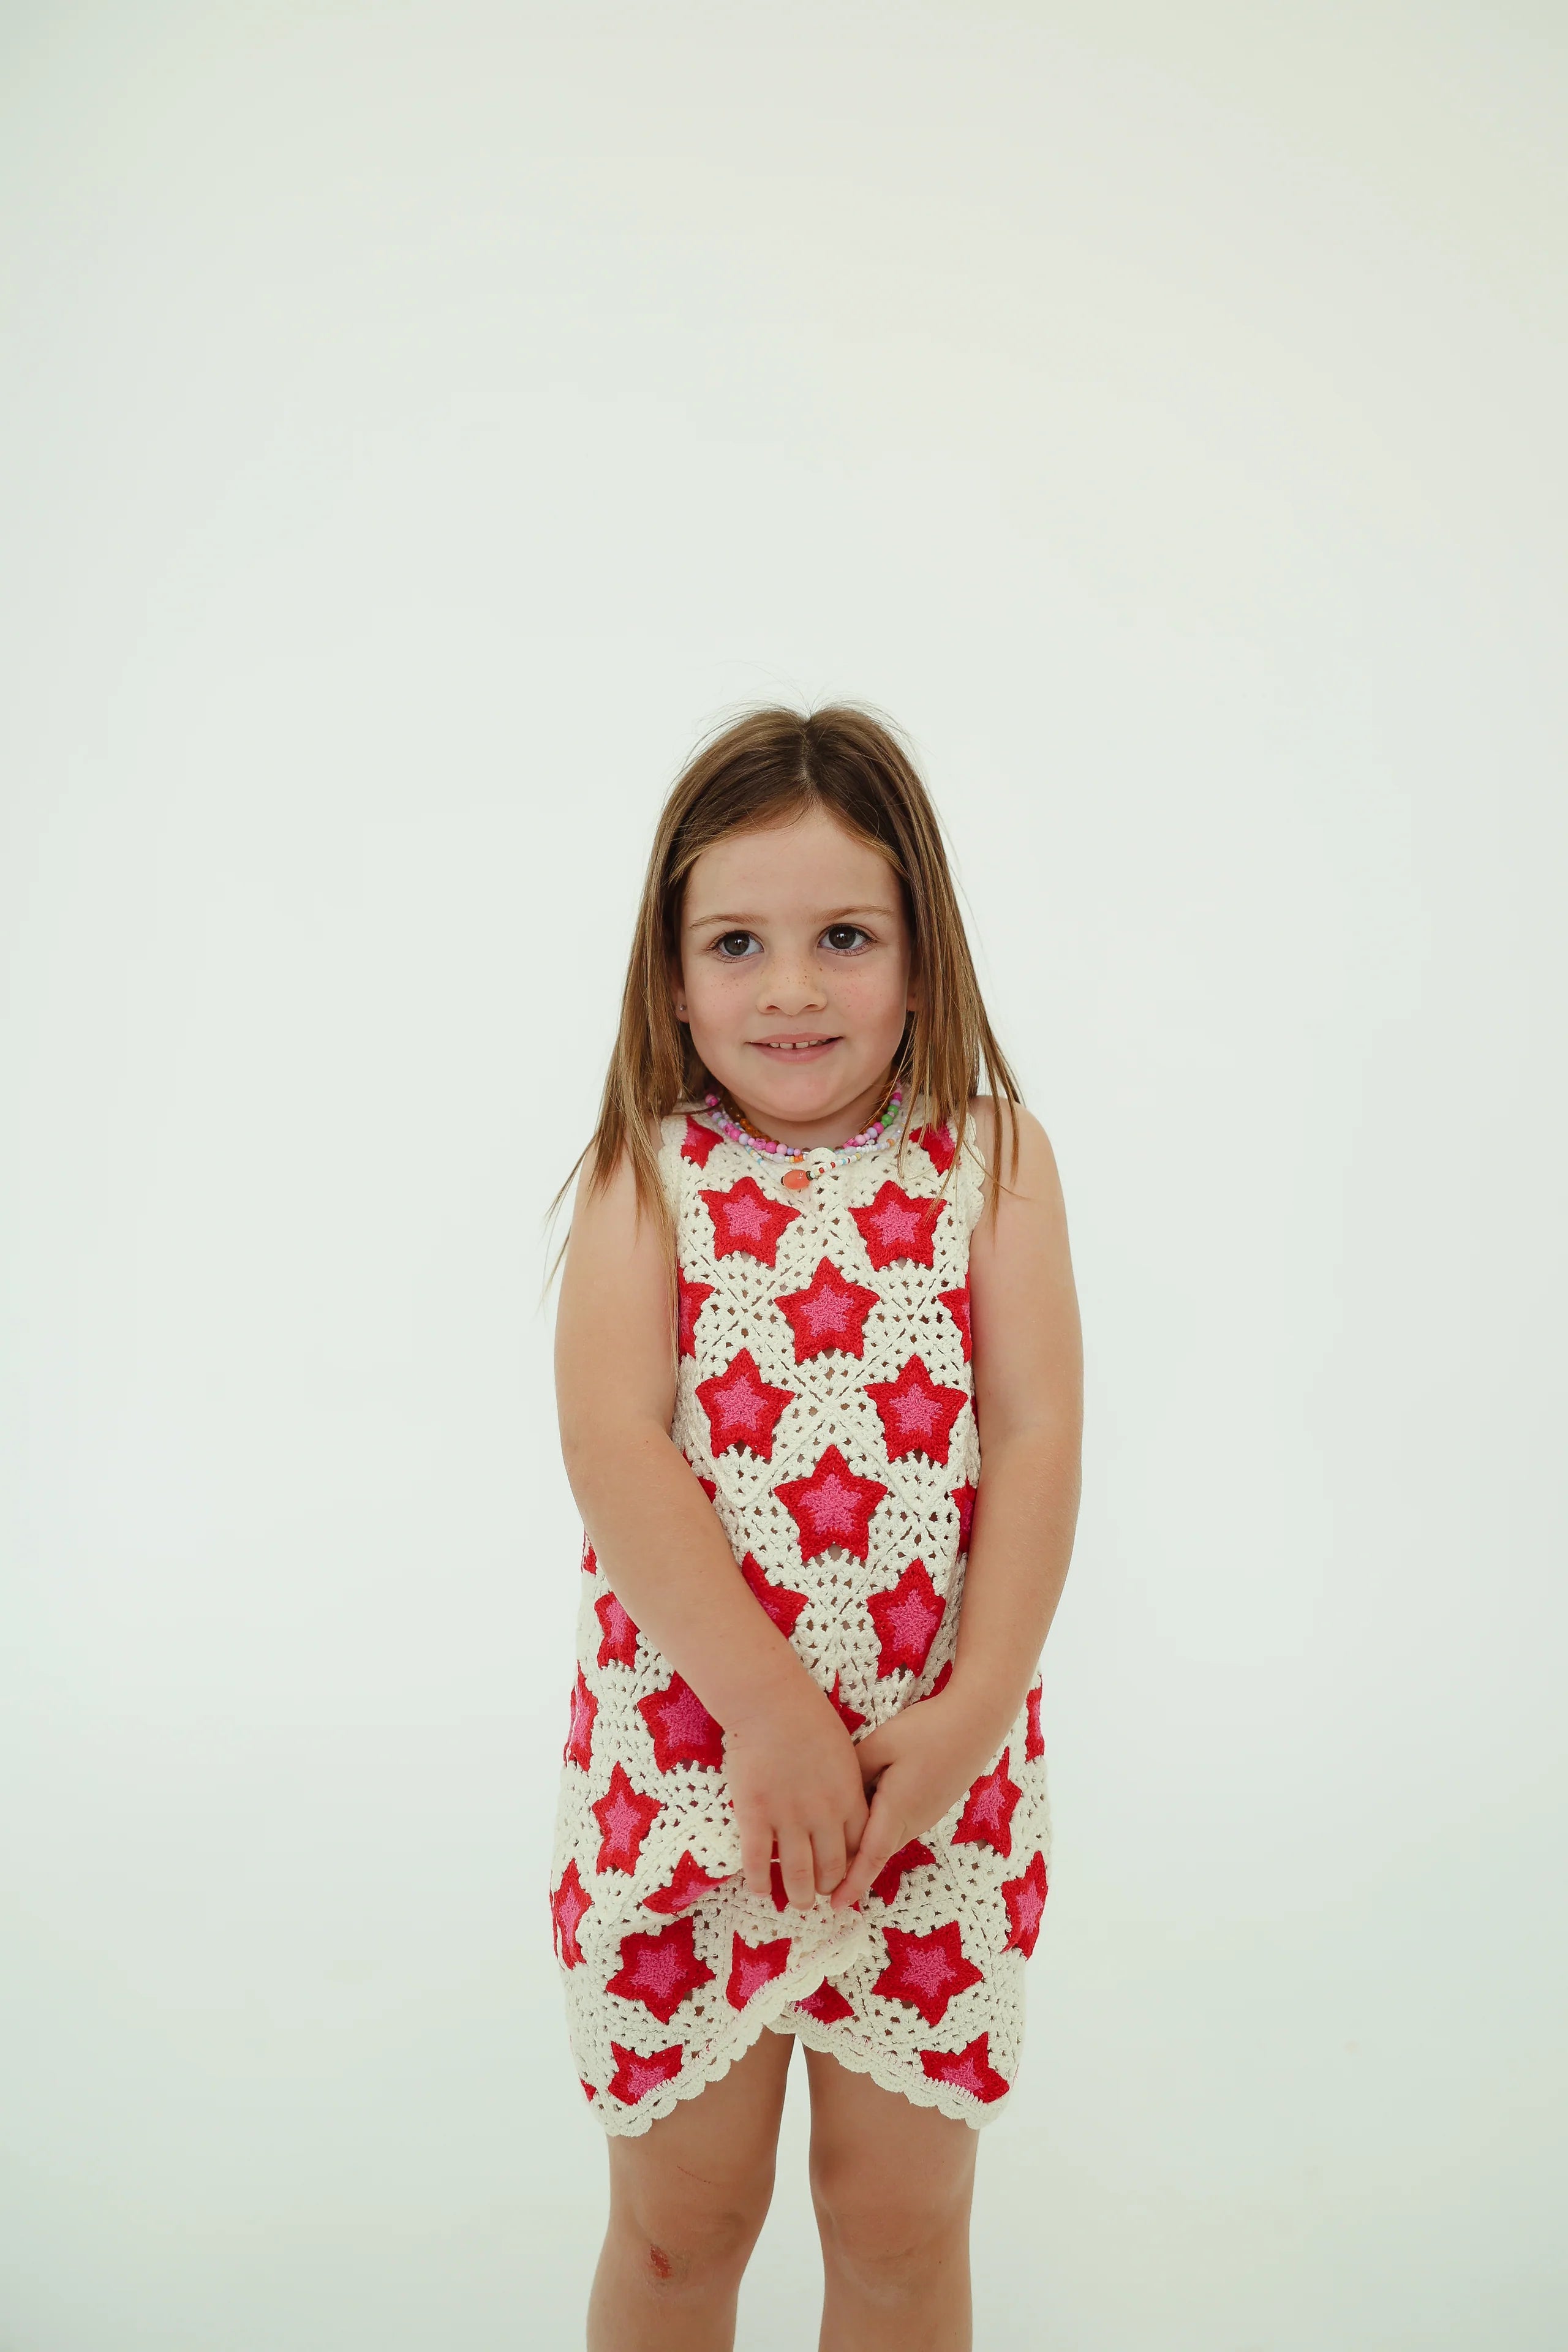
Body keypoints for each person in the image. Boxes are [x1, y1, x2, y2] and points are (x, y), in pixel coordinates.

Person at [548, 704, 1083, 2351]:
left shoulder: (990, 1163)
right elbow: (613, 1443)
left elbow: (1036, 1426)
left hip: (933, 1795)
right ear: (674, 971)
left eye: (844, 936)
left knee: (902, 2233)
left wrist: (980, 1704)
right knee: (677, 2234)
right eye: (738, 942)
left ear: (922, 957)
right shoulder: (648, 1177)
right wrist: (773, 1711)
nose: (789, 989)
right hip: (691, 1788)